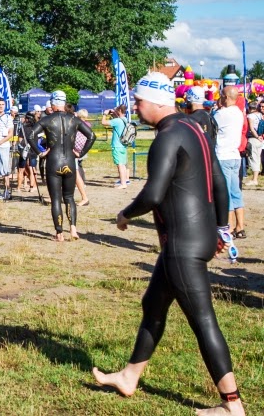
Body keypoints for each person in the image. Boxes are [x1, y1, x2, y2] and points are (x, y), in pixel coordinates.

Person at [92, 72, 245, 416]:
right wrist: (221, 229)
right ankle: (129, 376)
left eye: (138, 101)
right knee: (153, 304)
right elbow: (219, 182)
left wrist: (125, 214)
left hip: (181, 245)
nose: (135, 107)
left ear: (157, 101)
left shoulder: (167, 136)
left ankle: (232, 405)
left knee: (203, 321)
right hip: (198, 237)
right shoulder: (194, 128)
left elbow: (153, 194)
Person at [29, 90, 96, 241]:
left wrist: (40, 152)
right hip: (70, 162)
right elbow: (92, 136)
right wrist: (80, 152)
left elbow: (31, 136)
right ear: (64, 103)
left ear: (53, 104)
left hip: (53, 161)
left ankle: (59, 233)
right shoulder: (74, 119)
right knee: (70, 197)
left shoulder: (46, 120)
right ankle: (73, 229)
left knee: (56, 199)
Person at [214, 86, 245, 239]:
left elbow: (211, 125)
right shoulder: (239, 112)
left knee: (225, 193)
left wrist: (216, 107)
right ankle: (240, 227)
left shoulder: (221, 114)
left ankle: (230, 227)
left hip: (223, 156)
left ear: (225, 97)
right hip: (235, 155)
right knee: (235, 192)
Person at [102, 104, 130, 188]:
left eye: (117, 109)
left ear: (120, 110)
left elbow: (103, 123)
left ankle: (123, 184)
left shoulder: (117, 121)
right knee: (123, 164)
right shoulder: (125, 119)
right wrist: (114, 114)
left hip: (117, 145)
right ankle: (124, 181)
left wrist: (105, 114)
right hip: (123, 145)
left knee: (120, 165)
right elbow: (118, 121)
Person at [16, 112, 39, 193]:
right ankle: (32, 187)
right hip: (33, 149)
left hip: (24, 150)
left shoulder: (23, 128)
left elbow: (20, 140)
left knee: (21, 169)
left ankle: (19, 187)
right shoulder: (36, 127)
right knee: (32, 169)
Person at [73, 108, 91, 206]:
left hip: (76, 150)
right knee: (78, 168)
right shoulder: (88, 124)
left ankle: (84, 197)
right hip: (82, 150)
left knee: (76, 171)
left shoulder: (78, 125)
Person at [245, 101, 263, 186]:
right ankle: (255, 177)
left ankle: (254, 179)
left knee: (253, 158)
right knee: (257, 158)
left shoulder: (250, 116)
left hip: (253, 138)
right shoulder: (260, 115)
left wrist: (256, 136)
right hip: (260, 139)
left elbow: (251, 129)